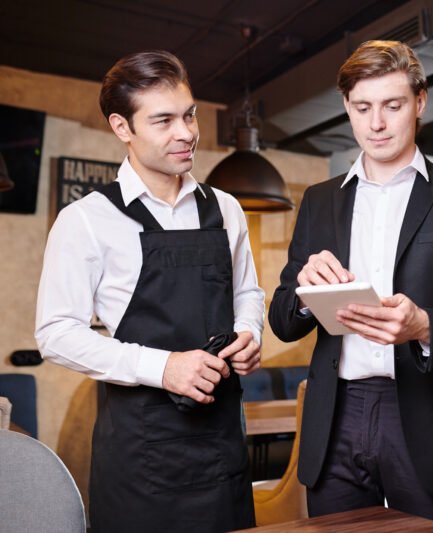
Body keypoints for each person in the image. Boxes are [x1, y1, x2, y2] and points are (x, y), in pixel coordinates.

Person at [268, 40, 433, 528]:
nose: (376, 123)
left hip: (428, 415)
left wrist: (424, 326)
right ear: (347, 107)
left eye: (392, 106)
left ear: (420, 102)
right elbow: (283, 320)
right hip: (335, 415)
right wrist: (306, 294)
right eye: (363, 108)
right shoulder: (318, 200)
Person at [35, 50, 264, 533]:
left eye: (189, 115)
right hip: (140, 458)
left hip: (222, 446)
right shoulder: (86, 220)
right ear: (122, 127)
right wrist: (163, 367)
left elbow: (247, 292)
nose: (186, 133)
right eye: (163, 121)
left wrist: (249, 332)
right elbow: (55, 333)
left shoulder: (226, 209)